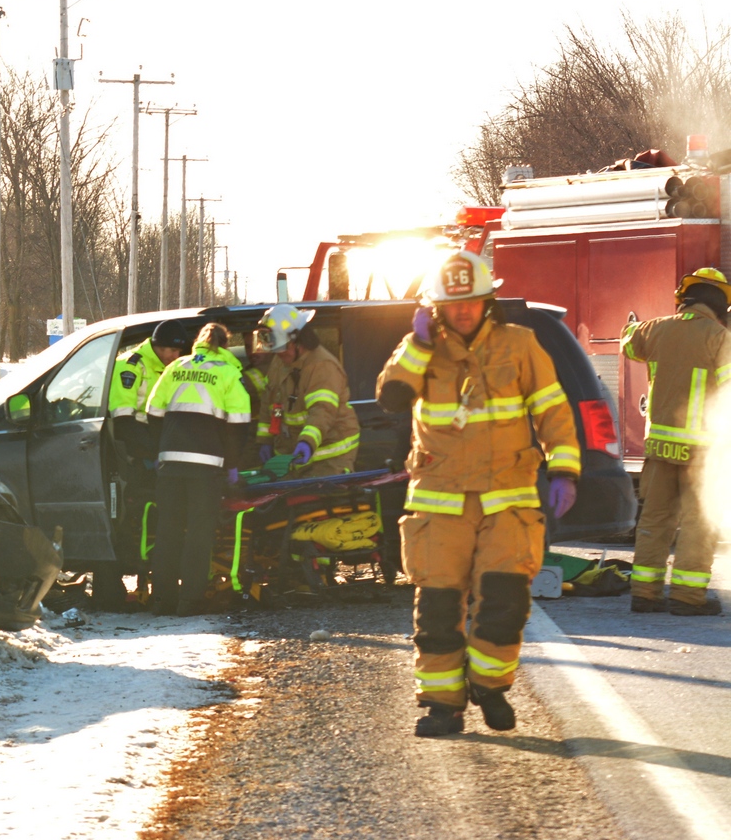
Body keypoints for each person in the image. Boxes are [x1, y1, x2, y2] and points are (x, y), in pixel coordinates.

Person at [379, 250, 581, 737]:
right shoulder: (418, 349)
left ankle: (490, 685)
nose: (464, 310)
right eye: (453, 303)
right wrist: (419, 347)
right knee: (438, 613)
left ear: (487, 300)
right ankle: (443, 707)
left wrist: (565, 469)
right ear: (435, 308)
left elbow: (552, 408)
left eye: (471, 301)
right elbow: (391, 397)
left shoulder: (521, 344)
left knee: (505, 604)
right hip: (439, 503)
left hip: (509, 497)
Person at [621, 266, 731, 616]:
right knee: (699, 523)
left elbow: (627, 342)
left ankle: (645, 594)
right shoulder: (718, 337)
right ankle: (687, 598)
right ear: (719, 304)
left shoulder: (656, 329)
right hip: (702, 452)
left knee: (654, 520)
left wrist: (634, 327)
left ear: (685, 299)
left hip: (659, 447)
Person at [142, 322, 252, 616]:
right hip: (205, 466)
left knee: (168, 530)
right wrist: (231, 465)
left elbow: (152, 413)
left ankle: (162, 599)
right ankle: (189, 600)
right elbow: (239, 425)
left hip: (170, 463)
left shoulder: (176, 367)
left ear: (197, 344)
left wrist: (160, 450)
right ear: (224, 345)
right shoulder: (229, 372)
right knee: (199, 533)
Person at [97, 320, 191, 608]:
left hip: (161, 445)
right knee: (130, 518)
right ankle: (117, 585)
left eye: (177, 351)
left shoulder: (175, 365)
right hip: (135, 449)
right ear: (156, 345)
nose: (173, 356)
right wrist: (149, 453)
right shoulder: (132, 365)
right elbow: (124, 419)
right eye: (169, 351)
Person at [253, 304, 360, 479]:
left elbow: (322, 411)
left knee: (315, 503)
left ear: (297, 341)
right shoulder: (280, 362)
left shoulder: (322, 366)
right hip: (293, 458)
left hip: (329, 457)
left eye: (281, 347)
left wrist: (307, 443)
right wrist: (265, 440)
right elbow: (270, 402)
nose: (278, 354)